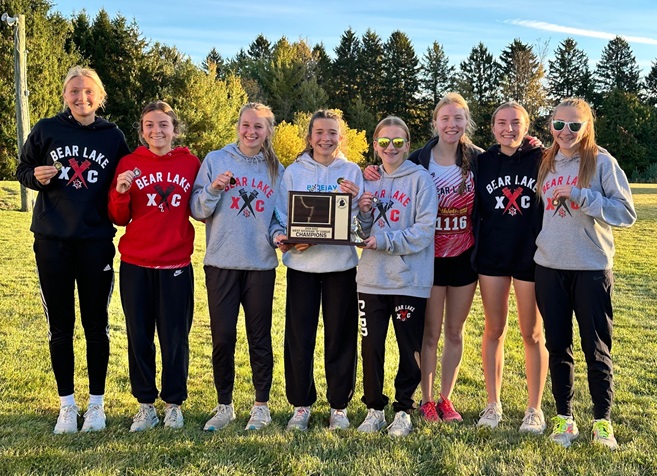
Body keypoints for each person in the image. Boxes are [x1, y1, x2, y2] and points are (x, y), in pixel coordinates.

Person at [15, 65, 131, 434]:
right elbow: (22, 168)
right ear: (65, 94)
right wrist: (35, 177)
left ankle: (96, 405)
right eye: (74, 91)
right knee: (60, 327)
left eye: (88, 91)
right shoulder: (47, 129)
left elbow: (124, 180)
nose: (81, 97)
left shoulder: (112, 136)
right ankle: (67, 405)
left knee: (97, 326)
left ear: (100, 96)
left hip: (96, 241)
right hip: (52, 241)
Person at [534, 98, 636, 449]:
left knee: (596, 348)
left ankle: (602, 422)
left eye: (575, 125)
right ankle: (565, 417)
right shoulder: (546, 160)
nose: (566, 132)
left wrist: (581, 196)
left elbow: (625, 213)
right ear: (550, 126)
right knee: (557, 346)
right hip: (549, 267)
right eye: (559, 124)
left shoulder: (602, 162)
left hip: (591, 268)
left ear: (587, 127)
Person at [190, 102, 284, 432]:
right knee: (222, 338)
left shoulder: (277, 170)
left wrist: (278, 236)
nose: (251, 131)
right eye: (246, 124)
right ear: (238, 126)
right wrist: (214, 189)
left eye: (259, 126)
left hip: (259, 265)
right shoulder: (216, 160)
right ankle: (224, 405)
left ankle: (261, 407)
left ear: (268, 131)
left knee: (259, 338)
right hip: (221, 263)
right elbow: (197, 209)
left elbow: (278, 218)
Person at [108, 101, 200, 431]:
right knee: (139, 337)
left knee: (175, 338)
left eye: (163, 124)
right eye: (149, 125)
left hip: (175, 264)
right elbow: (118, 217)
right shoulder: (129, 163)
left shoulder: (190, 163)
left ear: (175, 129)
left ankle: (173, 404)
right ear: (142, 130)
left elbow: (201, 206)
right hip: (136, 264)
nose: (156, 131)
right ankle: (145, 405)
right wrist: (120, 191)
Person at [274, 110, 362, 431]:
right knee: (300, 337)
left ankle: (339, 406)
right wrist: (286, 239)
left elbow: (362, 224)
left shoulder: (352, 172)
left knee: (340, 335)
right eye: (319, 132)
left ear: (341, 137)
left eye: (332, 133)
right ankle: (301, 405)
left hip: (342, 266)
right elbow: (280, 217)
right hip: (301, 267)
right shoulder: (293, 172)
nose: (326, 138)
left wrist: (358, 200)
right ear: (310, 137)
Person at [355, 116, 437, 437]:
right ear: (375, 145)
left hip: (408, 280)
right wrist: (362, 211)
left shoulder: (421, 180)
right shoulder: (368, 180)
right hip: (370, 279)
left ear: (407, 145)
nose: (391, 148)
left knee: (408, 347)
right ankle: (374, 408)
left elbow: (423, 231)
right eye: (384, 142)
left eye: (398, 142)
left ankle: (404, 408)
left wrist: (386, 241)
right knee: (370, 346)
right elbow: (360, 231)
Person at [473, 101, 548, 433]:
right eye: (502, 123)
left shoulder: (542, 159)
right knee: (494, 330)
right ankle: (493, 404)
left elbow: (581, 151)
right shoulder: (482, 162)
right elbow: (429, 159)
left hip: (531, 255)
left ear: (526, 127)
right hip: (492, 256)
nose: (509, 129)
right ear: (492, 128)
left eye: (516, 123)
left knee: (532, 333)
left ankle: (534, 408)